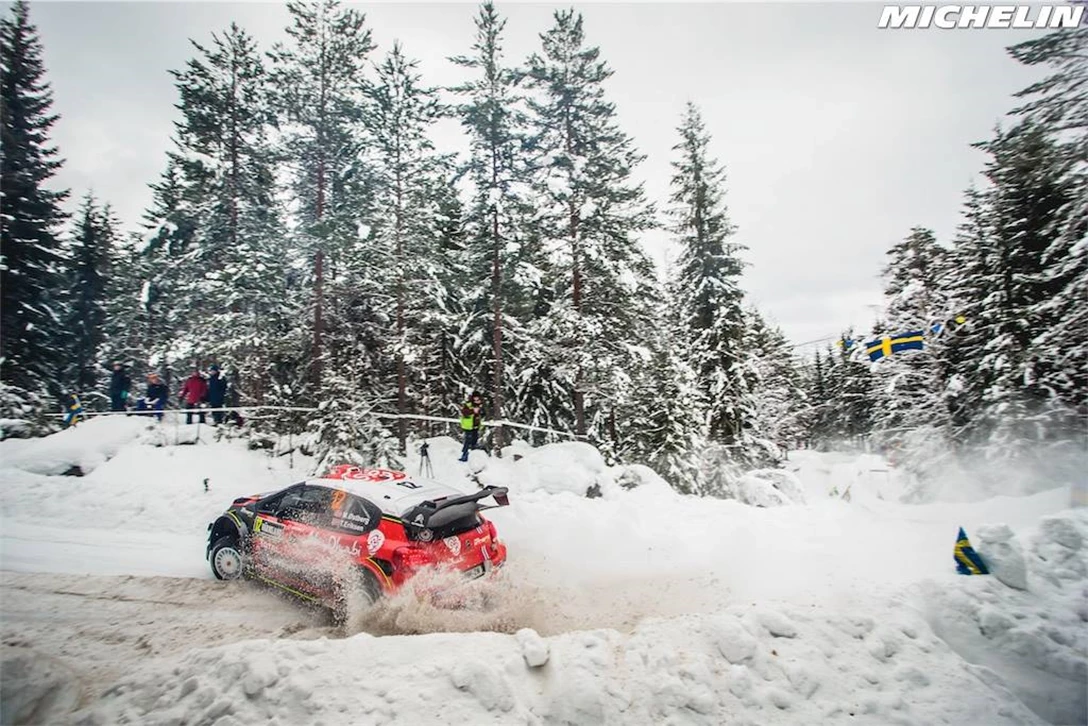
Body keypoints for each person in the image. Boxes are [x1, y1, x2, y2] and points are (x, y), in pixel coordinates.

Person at [459, 390, 484, 462]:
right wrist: (473, 411)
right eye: (475, 399)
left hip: (476, 425)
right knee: (468, 440)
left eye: (478, 399)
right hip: (468, 425)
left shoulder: (481, 405)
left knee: (474, 440)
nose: (476, 400)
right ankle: (464, 455)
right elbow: (464, 412)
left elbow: (483, 414)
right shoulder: (468, 404)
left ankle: (473, 457)